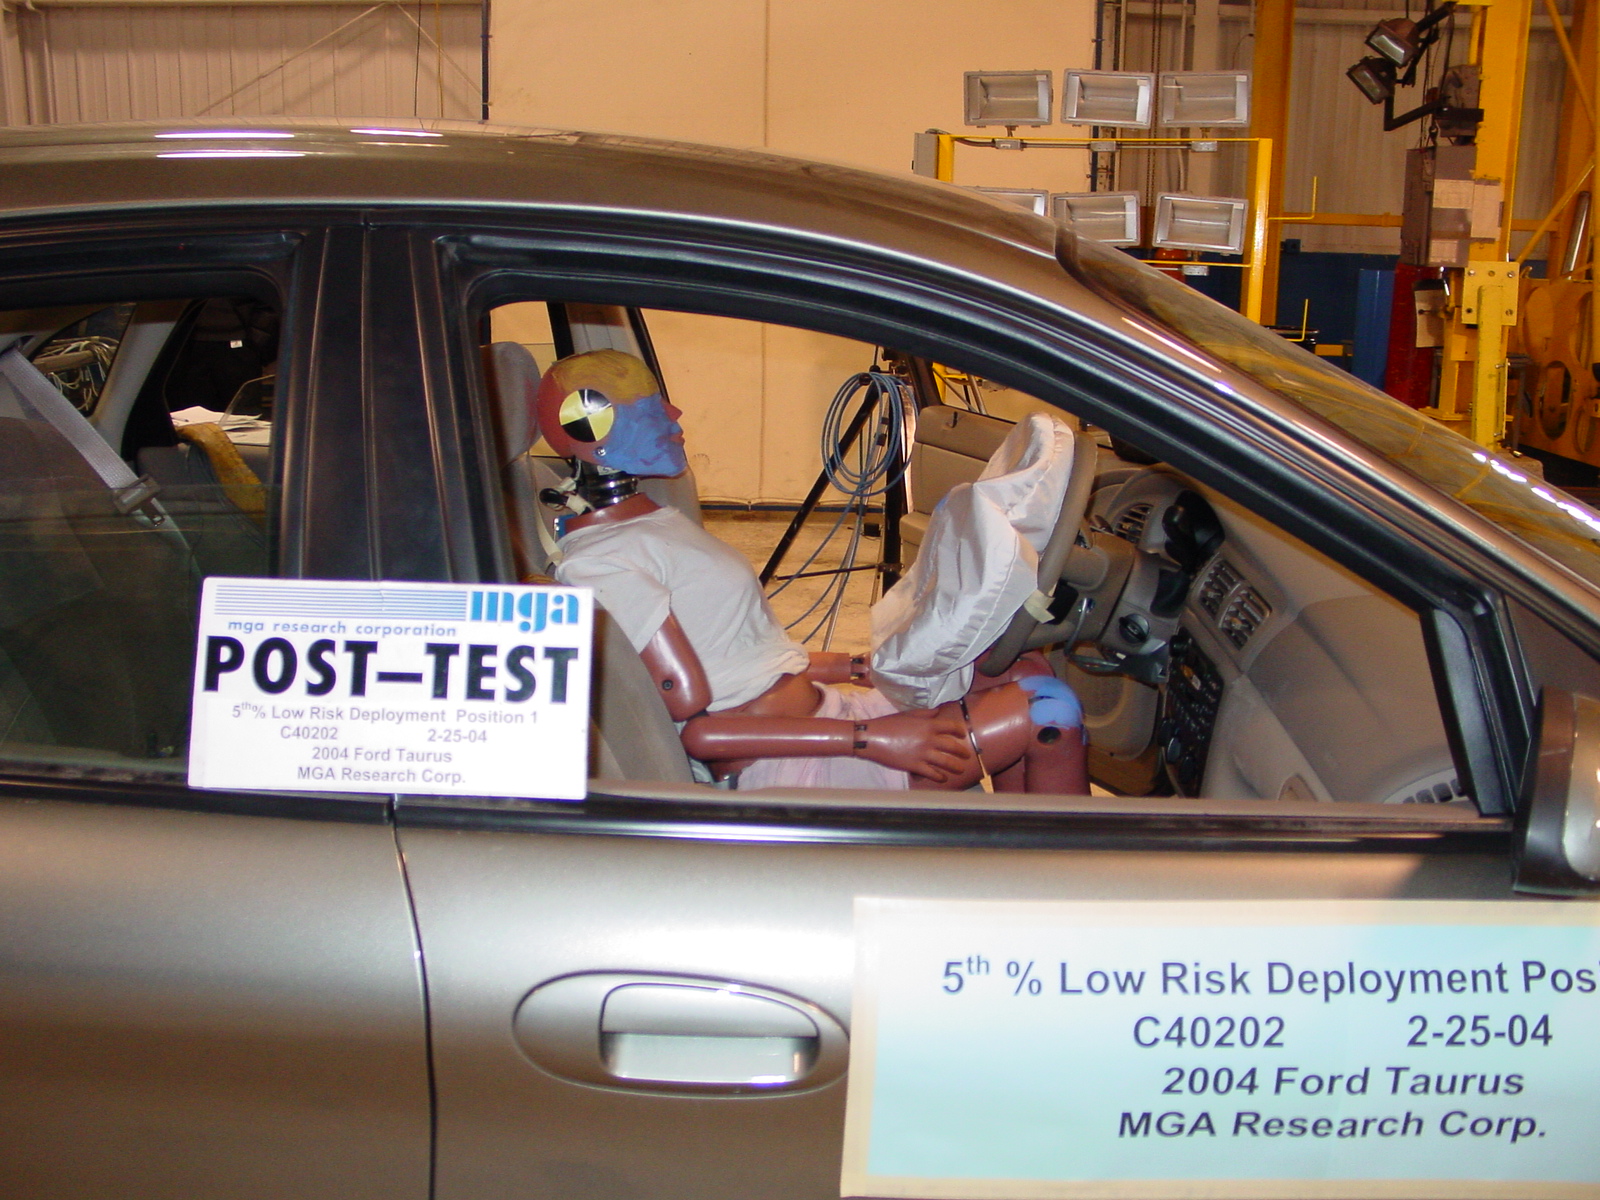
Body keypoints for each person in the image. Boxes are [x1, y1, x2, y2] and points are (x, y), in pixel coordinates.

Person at [539, 348, 1088, 793]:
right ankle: (1065, 886)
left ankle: (1009, 854)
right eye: (651, 406)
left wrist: (859, 667)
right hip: (791, 764)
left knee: (1024, 668)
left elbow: (752, 660)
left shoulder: (648, 523)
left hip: (827, 715)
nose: (675, 414)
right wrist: (872, 738)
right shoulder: (603, 563)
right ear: (590, 427)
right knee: (1049, 710)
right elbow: (701, 735)